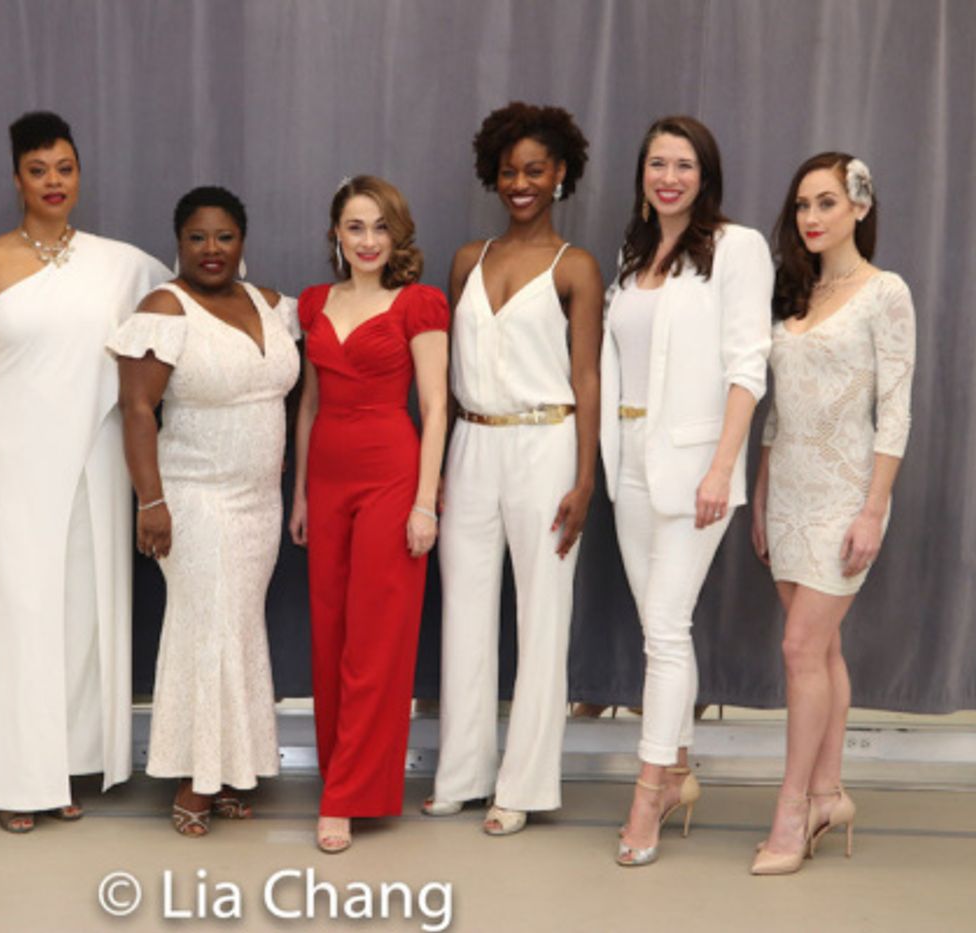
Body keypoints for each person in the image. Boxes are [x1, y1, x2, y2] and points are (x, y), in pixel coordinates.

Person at [0, 112, 167, 833]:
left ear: (78, 172)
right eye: (39, 170)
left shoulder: (122, 263)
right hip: (7, 459)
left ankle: (62, 767)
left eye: (65, 168)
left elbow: (190, 303)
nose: (54, 182)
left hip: (95, 457)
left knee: (80, 617)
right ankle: (15, 781)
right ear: (17, 178)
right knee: (20, 616)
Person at [424, 103, 603, 835]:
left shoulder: (577, 267)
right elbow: (439, 375)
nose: (520, 183)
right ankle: (462, 773)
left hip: (545, 444)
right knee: (463, 610)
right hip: (471, 442)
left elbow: (587, 377)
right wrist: (432, 467)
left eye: (535, 169)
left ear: (560, 173)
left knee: (542, 616)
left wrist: (585, 478)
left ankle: (523, 785)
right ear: (492, 174)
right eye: (509, 170)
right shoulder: (468, 258)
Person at [600, 116, 772, 867]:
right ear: (643, 174)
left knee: (665, 628)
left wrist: (721, 467)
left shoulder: (737, 248)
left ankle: (648, 793)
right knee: (659, 628)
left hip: (697, 463)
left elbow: (748, 364)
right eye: (657, 164)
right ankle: (677, 769)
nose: (669, 177)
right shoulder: (634, 252)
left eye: (684, 165)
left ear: (706, 176)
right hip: (630, 460)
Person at [109, 186, 300, 837]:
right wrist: (151, 501)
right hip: (193, 497)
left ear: (242, 240)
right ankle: (194, 780)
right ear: (178, 242)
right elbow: (137, 411)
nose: (211, 249)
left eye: (224, 236)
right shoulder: (165, 308)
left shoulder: (273, 306)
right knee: (207, 630)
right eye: (197, 237)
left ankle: (227, 772)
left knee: (238, 628)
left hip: (258, 502)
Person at [749, 154, 914, 875]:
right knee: (821, 652)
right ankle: (829, 791)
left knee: (798, 649)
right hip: (786, 493)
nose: (811, 218)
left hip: (846, 495)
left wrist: (873, 508)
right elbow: (776, 412)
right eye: (802, 207)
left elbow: (896, 411)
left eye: (826, 203)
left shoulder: (887, 294)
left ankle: (792, 809)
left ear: (859, 207)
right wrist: (759, 496)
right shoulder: (796, 295)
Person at [290, 175, 449, 854]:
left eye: (380, 227)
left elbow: (437, 407)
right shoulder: (314, 303)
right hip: (326, 476)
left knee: (376, 637)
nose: (368, 240)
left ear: (398, 235)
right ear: (336, 233)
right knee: (329, 631)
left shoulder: (419, 303)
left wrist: (424, 501)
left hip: (391, 471)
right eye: (355, 226)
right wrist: (299, 492)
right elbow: (308, 403)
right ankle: (343, 774)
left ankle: (345, 798)